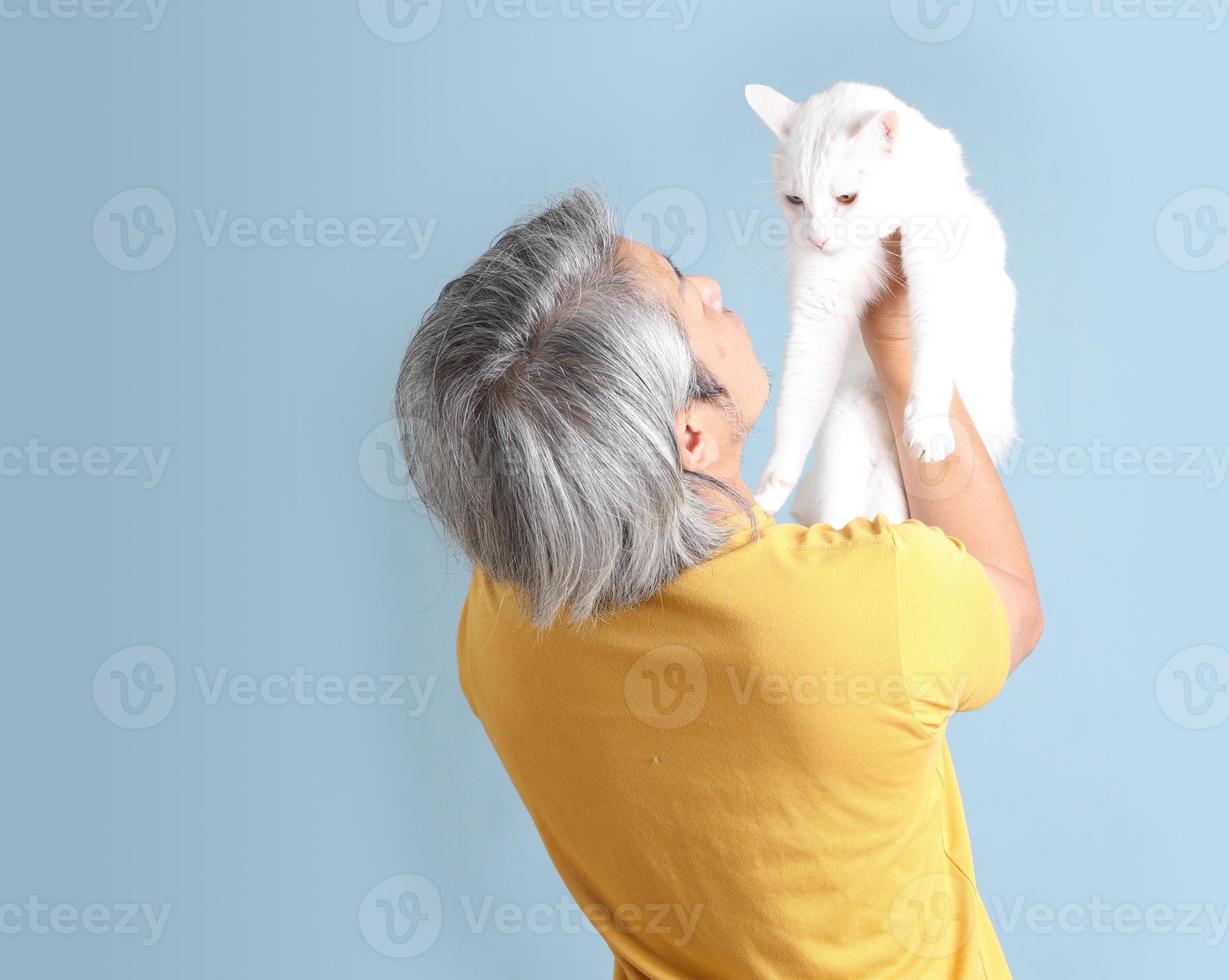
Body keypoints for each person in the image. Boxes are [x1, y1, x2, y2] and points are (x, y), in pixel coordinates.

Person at [395, 189, 1043, 979]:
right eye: (684, 291)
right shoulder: (874, 609)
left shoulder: (500, 627)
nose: (710, 289)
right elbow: (1012, 601)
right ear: (692, 435)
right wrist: (899, 341)